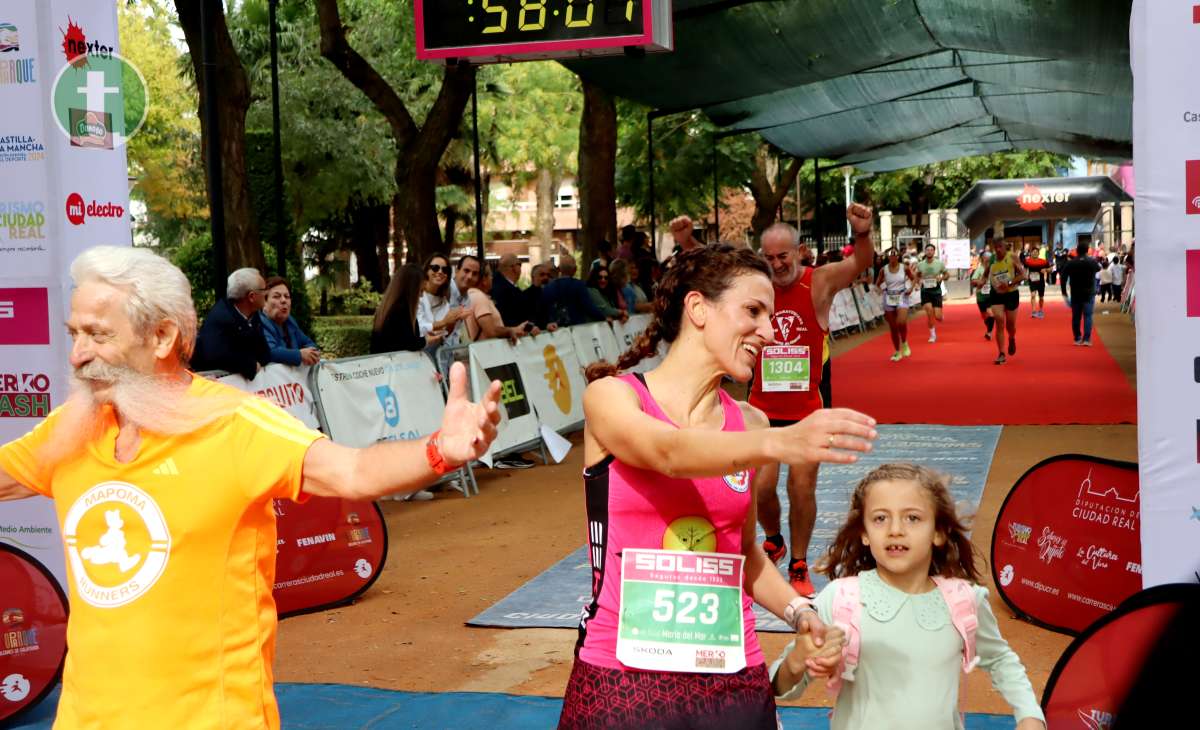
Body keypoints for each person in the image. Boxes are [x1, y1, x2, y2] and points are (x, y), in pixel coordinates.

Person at [0, 246, 503, 729]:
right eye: (74, 334)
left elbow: (351, 471)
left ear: (161, 336)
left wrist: (439, 449)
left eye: (96, 335)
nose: (77, 355)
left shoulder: (232, 422)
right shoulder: (73, 428)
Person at [557, 245, 878, 729]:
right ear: (698, 308)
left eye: (771, 315)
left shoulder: (749, 421)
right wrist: (779, 442)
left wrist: (799, 612)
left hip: (729, 674)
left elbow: (744, 551)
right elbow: (667, 453)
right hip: (621, 676)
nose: (769, 332)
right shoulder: (614, 397)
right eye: (753, 311)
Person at [770, 463, 1046, 730]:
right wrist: (795, 663)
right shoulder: (841, 599)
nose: (895, 529)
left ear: (938, 532)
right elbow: (778, 688)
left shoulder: (964, 601)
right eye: (880, 518)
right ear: (864, 533)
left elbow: (999, 659)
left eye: (912, 517)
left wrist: (1030, 714)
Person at [750, 204, 876, 599]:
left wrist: (862, 234)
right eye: (769, 258)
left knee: (800, 487)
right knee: (762, 488)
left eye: (782, 256)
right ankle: (774, 537)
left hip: (806, 411)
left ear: (799, 251)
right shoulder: (756, 286)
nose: (776, 264)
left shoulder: (817, 282)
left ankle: (799, 560)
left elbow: (861, 264)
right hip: (761, 409)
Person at [191, 267, 271, 379]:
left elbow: (265, 354)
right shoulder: (220, 317)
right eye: (264, 290)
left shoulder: (254, 314)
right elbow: (216, 355)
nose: (267, 293)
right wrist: (249, 365)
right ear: (252, 297)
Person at [371, 264, 444, 354]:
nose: (421, 296)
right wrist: (426, 340)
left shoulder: (389, 308)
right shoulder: (401, 310)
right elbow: (409, 343)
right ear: (411, 289)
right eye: (420, 291)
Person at [981, 238, 1025, 365]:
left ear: (1005, 247)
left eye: (1000, 247)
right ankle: (1001, 353)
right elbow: (985, 275)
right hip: (996, 294)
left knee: (1010, 326)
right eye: (996, 248)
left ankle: (1011, 337)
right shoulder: (991, 259)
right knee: (999, 321)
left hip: (1011, 294)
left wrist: (1010, 283)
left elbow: (1023, 275)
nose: (998, 250)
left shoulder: (1013, 257)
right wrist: (980, 282)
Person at [465, 265, 536, 342]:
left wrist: (517, 329)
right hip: (488, 351)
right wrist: (510, 330)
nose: (492, 278)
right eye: (490, 275)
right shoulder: (479, 297)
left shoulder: (473, 296)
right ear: (484, 279)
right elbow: (491, 331)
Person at [259, 276, 320, 366]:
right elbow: (270, 352)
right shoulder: (259, 323)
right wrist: (300, 355)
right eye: (277, 296)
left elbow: (310, 344)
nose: (284, 300)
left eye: (287, 296)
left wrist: (311, 353)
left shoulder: (290, 322)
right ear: (264, 302)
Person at [416, 253, 469, 352]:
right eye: (435, 268)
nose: (440, 272)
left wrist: (454, 320)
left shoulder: (444, 302)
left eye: (445, 270)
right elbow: (420, 329)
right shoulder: (417, 296)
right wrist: (444, 322)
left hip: (435, 356)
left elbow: (444, 336)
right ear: (427, 271)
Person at [541, 257, 609, 326]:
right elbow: (589, 307)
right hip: (577, 328)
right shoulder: (579, 285)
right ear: (575, 269)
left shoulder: (548, 287)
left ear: (559, 269)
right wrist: (604, 317)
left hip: (554, 329)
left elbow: (544, 310)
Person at [876, 248, 916, 363]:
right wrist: (881, 290)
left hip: (902, 296)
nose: (893, 257)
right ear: (888, 257)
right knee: (893, 327)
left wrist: (910, 289)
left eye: (895, 255)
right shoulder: (884, 270)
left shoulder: (904, 267)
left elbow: (913, 279)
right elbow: (877, 284)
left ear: (898, 256)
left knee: (901, 322)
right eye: (890, 255)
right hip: (889, 298)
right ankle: (897, 351)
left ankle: (904, 342)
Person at [1059, 241, 1101, 346]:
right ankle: (1086, 339)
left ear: (1077, 251)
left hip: (1076, 293)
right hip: (1089, 293)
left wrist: (1064, 292)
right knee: (1088, 316)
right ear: (1087, 250)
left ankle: (1077, 338)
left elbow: (1063, 278)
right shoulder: (1091, 261)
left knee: (1076, 317)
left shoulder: (1071, 263)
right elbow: (1099, 268)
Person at [915, 244, 948, 343]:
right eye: (927, 250)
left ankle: (940, 316)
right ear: (925, 252)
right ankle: (932, 335)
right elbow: (917, 275)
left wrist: (941, 278)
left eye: (931, 250)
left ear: (934, 252)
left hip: (936, 291)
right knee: (929, 312)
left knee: (937, 316)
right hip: (925, 291)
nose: (929, 251)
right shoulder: (920, 264)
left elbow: (947, 274)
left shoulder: (939, 263)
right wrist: (917, 283)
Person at [491, 253, 528, 327]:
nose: (520, 268)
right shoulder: (503, 289)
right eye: (519, 264)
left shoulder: (496, 283)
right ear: (513, 267)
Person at [970, 248, 996, 340]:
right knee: (985, 316)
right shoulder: (979, 269)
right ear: (982, 259)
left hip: (992, 295)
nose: (988, 259)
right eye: (986, 257)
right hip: (981, 296)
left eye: (990, 257)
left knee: (991, 314)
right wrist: (980, 282)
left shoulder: (995, 268)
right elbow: (973, 281)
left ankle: (989, 333)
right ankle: (989, 329)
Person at [1021, 246, 1050, 319]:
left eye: (1036, 252)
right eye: (1033, 252)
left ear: (1038, 253)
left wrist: (1045, 270)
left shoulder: (1043, 261)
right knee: (1033, 295)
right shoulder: (1027, 261)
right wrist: (1025, 276)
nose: (1035, 253)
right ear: (1031, 253)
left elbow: (1050, 269)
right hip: (1032, 280)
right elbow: (1024, 269)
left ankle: (1040, 310)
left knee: (1041, 297)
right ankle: (1034, 311)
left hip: (1041, 281)